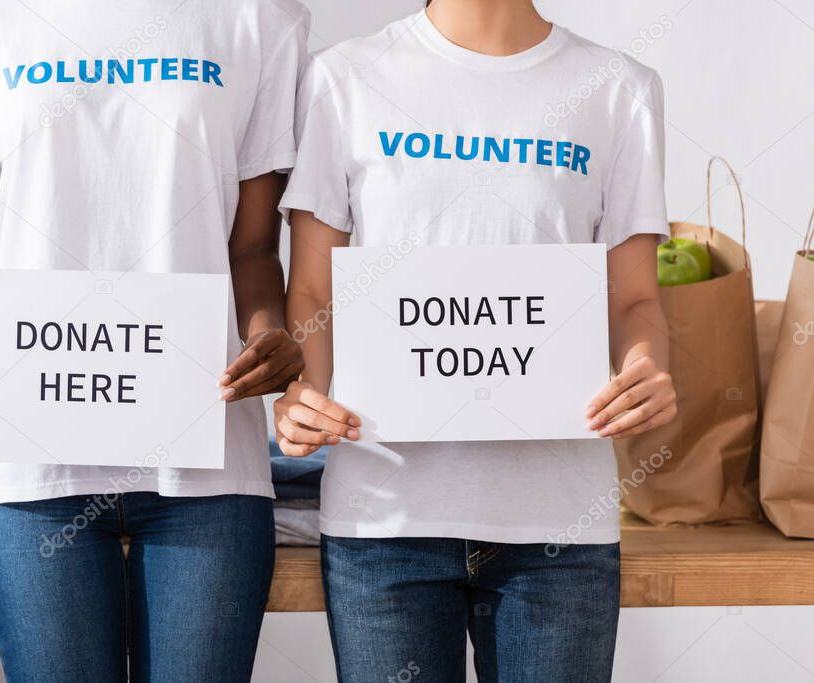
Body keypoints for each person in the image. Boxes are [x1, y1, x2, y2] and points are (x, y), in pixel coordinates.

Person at [0, 0, 309, 680]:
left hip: (209, 460)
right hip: (34, 459)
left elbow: (253, 249)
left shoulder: (259, 19)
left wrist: (268, 335)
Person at [276, 0, 676, 681]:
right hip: (385, 522)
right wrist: (301, 393)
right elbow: (314, 292)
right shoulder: (342, 78)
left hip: (557, 526)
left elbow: (635, 297)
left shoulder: (619, 88)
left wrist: (647, 364)